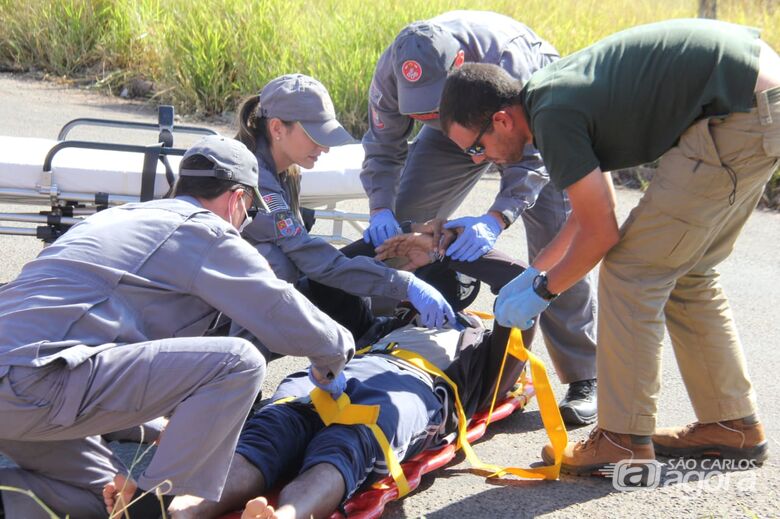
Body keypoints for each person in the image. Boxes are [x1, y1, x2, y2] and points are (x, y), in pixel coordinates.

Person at [439, 18, 778, 475]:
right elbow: (590, 211)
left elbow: (603, 235)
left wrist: (544, 292)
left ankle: (621, 439)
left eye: (477, 148)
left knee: (631, 269)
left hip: (738, 110)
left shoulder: (551, 117)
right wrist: (534, 272)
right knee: (687, 271)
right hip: (758, 100)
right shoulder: (549, 98)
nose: (482, 160)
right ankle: (732, 425)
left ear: (501, 119)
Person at [0, 135, 355, 519]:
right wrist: (335, 356)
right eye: (248, 212)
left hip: (24, 388)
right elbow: (279, 308)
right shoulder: (202, 229)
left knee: (114, 499)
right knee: (240, 362)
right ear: (238, 199)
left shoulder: (117, 217)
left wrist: (172, 425)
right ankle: (155, 510)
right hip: (33, 384)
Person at [158, 231, 534, 519]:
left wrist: (445, 244)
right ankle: (181, 511)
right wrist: (389, 240)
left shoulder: (483, 343)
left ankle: (285, 515)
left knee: (346, 445)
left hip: (411, 391)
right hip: (333, 376)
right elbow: (328, 276)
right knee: (270, 430)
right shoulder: (380, 325)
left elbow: (522, 282)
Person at [360, 10, 599, 425]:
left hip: (526, 124)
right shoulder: (392, 76)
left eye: (433, 109)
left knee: (557, 240)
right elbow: (383, 147)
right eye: (422, 114)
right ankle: (380, 338)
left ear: (459, 68)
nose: (427, 117)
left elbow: (535, 157)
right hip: (457, 123)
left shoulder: (512, 65)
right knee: (403, 224)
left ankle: (584, 375)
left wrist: (497, 216)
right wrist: (381, 206)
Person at [234, 73, 456, 335]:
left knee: (357, 255)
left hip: (245, 296)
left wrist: (405, 232)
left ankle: (367, 333)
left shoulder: (285, 172)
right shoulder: (255, 177)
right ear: (277, 128)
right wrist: (402, 283)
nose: (324, 148)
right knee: (284, 263)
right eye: (314, 135)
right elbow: (313, 260)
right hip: (221, 316)